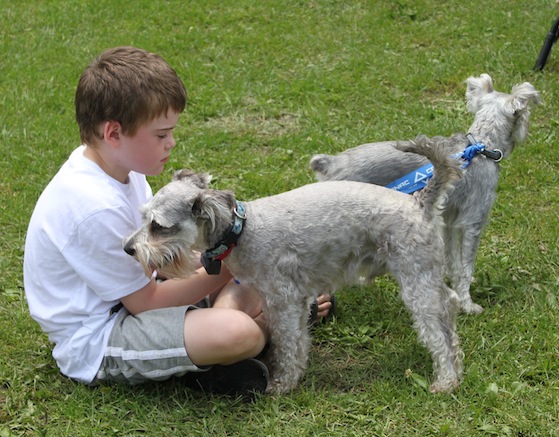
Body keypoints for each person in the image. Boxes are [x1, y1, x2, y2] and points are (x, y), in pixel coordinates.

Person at [23, 46, 333, 399]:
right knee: (237, 330)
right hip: (103, 335)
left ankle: (219, 348)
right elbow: (146, 303)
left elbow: (162, 265)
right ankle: (262, 329)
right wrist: (230, 262)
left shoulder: (121, 168)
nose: (171, 143)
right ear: (113, 133)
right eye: (161, 135)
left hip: (143, 291)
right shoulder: (93, 207)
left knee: (259, 276)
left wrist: (235, 261)